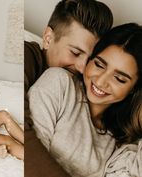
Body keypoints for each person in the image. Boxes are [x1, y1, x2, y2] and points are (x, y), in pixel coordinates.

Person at [28, 23, 142, 177]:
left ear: (134, 88)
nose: (101, 81)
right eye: (99, 64)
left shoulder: (123, 141)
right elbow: (28, 155)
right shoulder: (59, 83)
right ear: (90, 59)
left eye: (119, 78)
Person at [24, 0, 113, 176]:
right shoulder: (27, 57)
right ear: (48, 39)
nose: (82, 67)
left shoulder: (78, 85)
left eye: (89, 59)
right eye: (75, 52)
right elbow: (24, 134)